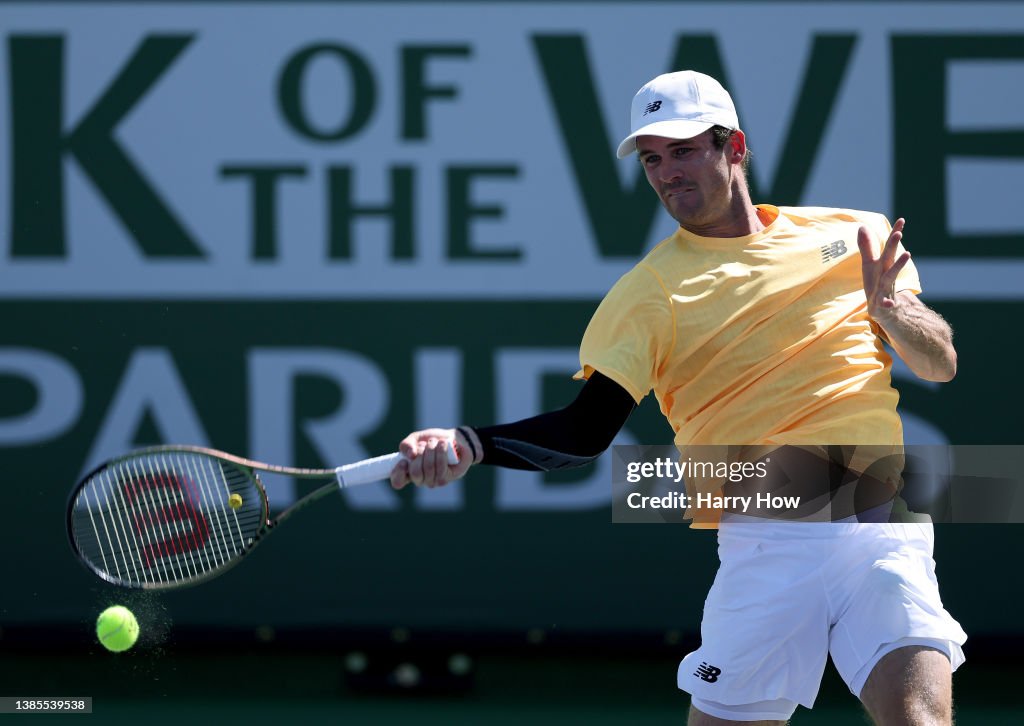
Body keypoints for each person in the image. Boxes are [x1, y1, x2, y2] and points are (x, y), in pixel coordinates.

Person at [388, 70, 966, 725]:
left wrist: (890, 311)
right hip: (768, 545)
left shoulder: (852, 239)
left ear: (735, 148)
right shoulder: (648, 294)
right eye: (653, 159)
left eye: (684, 150)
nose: (666, 173)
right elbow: (584, 431)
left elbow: (939, 362)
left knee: (919, 719)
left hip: (881, 528)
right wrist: (471, 443)